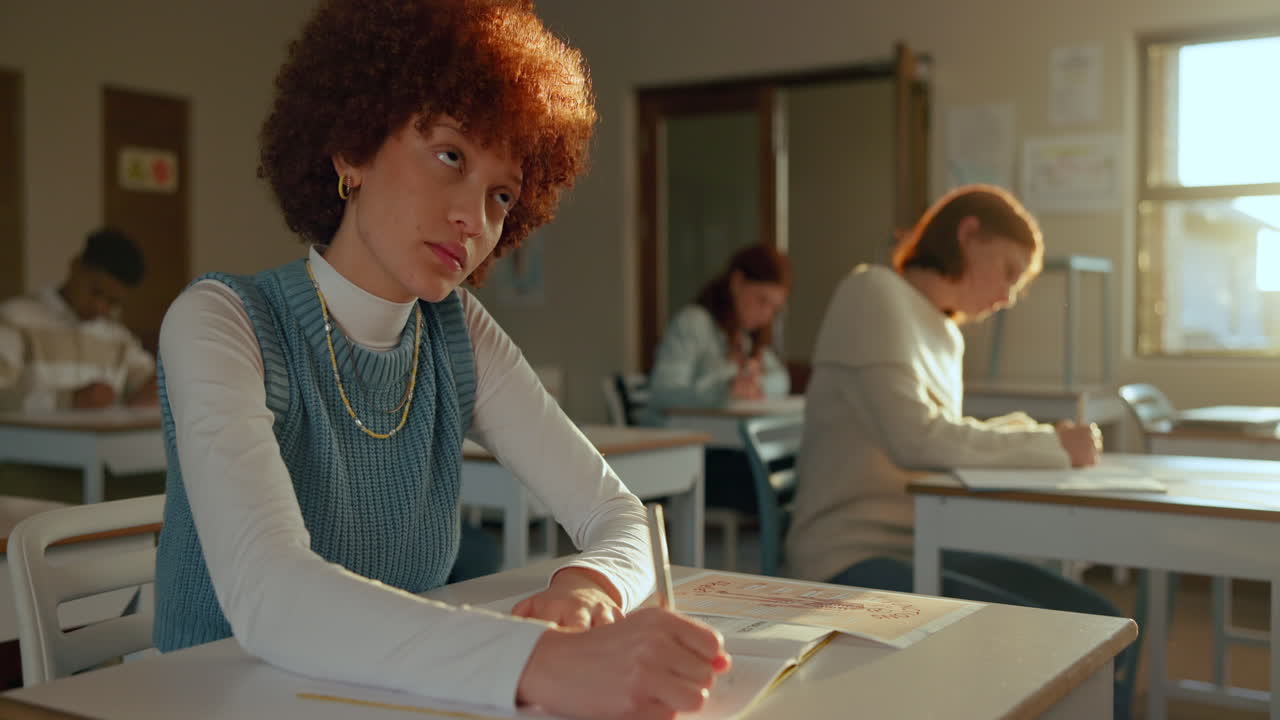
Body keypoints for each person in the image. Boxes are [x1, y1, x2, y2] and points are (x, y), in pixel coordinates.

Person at [152, 2, 729, 719]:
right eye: (450, 155)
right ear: (352, 148)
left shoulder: (458, 333)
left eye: (501, 195)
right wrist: (541, 662)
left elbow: (620, 515)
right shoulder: (220, 321)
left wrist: (590, 586)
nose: (474, 220)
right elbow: (271, 596)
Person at [784, 184, 1131, 716]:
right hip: (847, 553)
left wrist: (1044, 437)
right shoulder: (871, 292)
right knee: (1061, 645)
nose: (1008, 297)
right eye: (1009, 271)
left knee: (1105, 626)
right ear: (969, 234)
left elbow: (948, 433)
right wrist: (1049, 445)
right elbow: (917, 439)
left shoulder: (945, 333)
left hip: (924, 542)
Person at [645, 244, 791, 514]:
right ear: (737, 282)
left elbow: (781, 379)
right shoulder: (693, 323)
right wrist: (725, 388)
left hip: (728, 449)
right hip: (688, 456)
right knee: (782, 479)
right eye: (761, 301)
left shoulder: (745, 337)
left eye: (774, 309)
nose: (766, 315)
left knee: (794, 467)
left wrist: (757, 384)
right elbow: (663, 392)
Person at [0, 227, 157, 411]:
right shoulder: (15, 319)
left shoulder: (119, 339)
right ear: (75, 267)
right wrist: (65, 401)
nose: (100, 307)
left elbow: (151, 383)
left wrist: (155, 390)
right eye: (96, 292)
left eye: (112, 302)